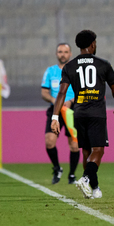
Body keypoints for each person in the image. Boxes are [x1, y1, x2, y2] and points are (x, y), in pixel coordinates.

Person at [51, 30, 114, 199]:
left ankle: (94, 187)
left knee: (86, 151)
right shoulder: (104, 64)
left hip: (79, 113)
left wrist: (55, 117)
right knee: (98, 150)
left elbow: (61, 93)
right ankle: (85, 179)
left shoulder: (69, 66)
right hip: (96, 113)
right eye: (95, 43)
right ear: (92, 44)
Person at [41, 43, 79, 184]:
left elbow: (82, 91)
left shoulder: (76, 71)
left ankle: (72, 175)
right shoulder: (50, 71)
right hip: (55, 110)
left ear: (70, 54)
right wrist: (56, 101)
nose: (62, 54)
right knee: (49, 142)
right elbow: (44, 92)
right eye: (60, 52)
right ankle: (57, 168)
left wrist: (69, 102)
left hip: (72, 110)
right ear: (56, 54)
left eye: (65, 52)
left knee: (74, 145)